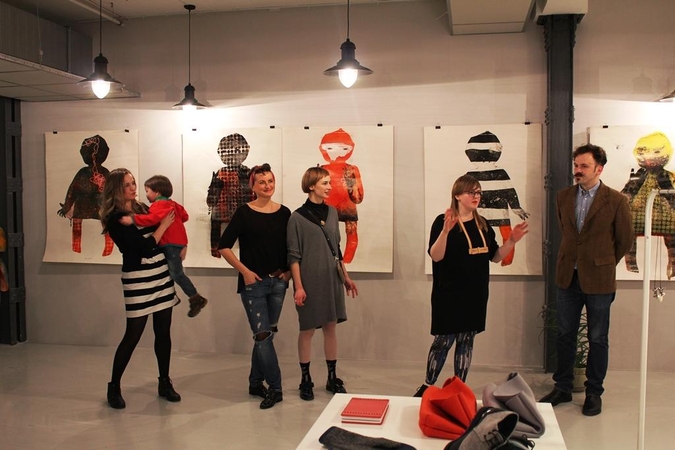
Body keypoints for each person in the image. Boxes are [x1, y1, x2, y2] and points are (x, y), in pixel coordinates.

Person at [539, 144, 634, 416]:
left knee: (597, 337)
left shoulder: (616, 200)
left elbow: (624, 240)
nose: (577, 171)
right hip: (567, 276)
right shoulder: (563, 197)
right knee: (564, 334)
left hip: (599, 279)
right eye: (576, 165)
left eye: (584, 166)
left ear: (599, 169)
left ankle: (594, 392)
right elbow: (568, 233)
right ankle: (563, 387)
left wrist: (603, 262)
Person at [413, 174, 528, 398]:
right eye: (471, 192)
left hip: (475, 293)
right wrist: (445, 231)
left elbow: (495, 257)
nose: (476, 196)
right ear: (457, 195)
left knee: (466, 341)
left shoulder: (483, 224)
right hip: (449, 293)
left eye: (478, 193)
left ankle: (459, 387)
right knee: (443, 340)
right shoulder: (443, 221)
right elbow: (436, 256)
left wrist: (512, 241)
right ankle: (427, 385)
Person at [101, 168, 182, 409]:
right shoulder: (116, 218)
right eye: (127, 184)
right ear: (116, 188)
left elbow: (164, 236)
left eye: (134, 183)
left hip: (160, 276)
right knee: (133, 335)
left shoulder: (142, 209)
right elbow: (142, 248)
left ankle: (164, 382)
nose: (133, 188)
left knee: (163, 332)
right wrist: (163, 226)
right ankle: (114, 386)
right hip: (138, 279)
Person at [218, 164, 291, 410]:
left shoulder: (284, 213)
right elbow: (223, 246)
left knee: (266, 335)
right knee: (262, 336)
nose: (267, 186)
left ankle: (254, 382)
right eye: (262, 182)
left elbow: (291, 247)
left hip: (278, 283)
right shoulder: (244, 213)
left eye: (270, 181)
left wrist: (288, 273)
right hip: (254, 285)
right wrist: (245, 271)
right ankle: (276, 388)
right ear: (253, 186)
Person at [287, 167, 359, 401]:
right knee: (307, 329)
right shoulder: (296, 218)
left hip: (332, 278)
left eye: (329, 182)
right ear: (311, 186)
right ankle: (305, 379)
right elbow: (293, 256)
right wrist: (299, 287)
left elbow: (336, 249)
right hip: (309, 280)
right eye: (325, 183)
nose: (329, 187)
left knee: (330, 327)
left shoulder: (332, 212)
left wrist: (345, 277)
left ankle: (332, 377)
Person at [120, 175, 208, 318]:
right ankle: (190, 296)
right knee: (173, 271)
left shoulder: (158, 205)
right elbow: (185, 216)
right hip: (176, 243)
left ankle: (195, 297)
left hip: (170, 244)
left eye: (147, 191)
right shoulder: (172, 204)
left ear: (157, 192)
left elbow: (151, 219)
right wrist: (180, 236)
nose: (146, 194)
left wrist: (133, 219)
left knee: (176, 273)